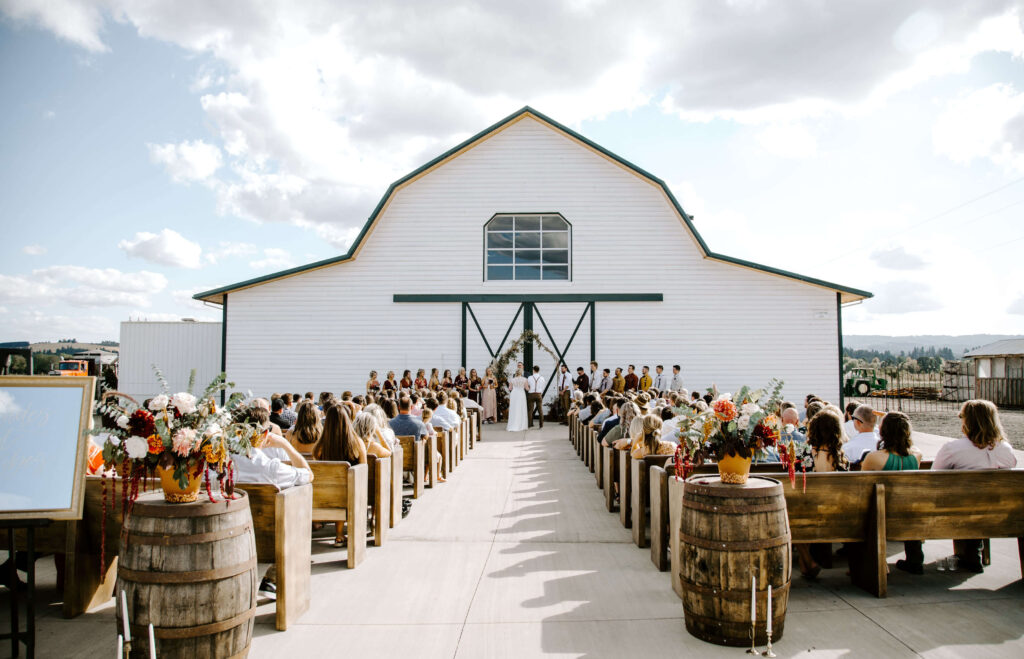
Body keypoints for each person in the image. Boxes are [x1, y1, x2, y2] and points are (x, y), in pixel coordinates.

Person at [932, 399, 1017, 573]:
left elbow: (934, 476)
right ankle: (972, 553)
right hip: (998, 510)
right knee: (980, 501)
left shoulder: (953, 448)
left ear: (967, 421)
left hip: (959, 510)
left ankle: (970, 554)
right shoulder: (1005, 449)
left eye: (961, 417)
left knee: (965, 502)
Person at [860, 411, 925, 575]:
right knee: (910, 504)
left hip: (881, 513)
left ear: (883, 432)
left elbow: (861, 487)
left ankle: (876, 563)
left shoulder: (873, 458)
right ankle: (915, 558)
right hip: (910, 511)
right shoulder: (916, 455)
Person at [794, 409, 849, 578]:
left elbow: (795, 484)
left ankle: (807, 561)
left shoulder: (804, 454)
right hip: (837, 509)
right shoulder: (841, 457)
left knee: (791, 522)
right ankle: (807, 564)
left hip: (809, 508)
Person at [506, 366, 529, 432]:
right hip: (521, 393)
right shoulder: (525, 379)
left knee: (514, 408)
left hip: (514, 394)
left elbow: (510, 388)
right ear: (521, 372)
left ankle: (513, 424)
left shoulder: (512, 380)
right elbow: (527, 388)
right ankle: (521, 425)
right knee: (521, 408)